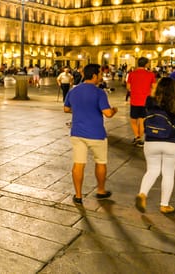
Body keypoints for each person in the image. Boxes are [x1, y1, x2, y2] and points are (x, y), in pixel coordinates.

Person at [63, 64, 118, 205]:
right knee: (100, 162)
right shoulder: (99, 93)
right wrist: (114, 110)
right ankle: (100, 190)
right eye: (99, 73)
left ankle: (78, 195)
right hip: (96, 133)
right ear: (94, 76)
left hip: (77, 132)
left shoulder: (73, 91)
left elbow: (66, 108)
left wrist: (79, 110)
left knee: (78, 164)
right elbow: (107, 113)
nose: (101, 76)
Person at [136, 77, 175, 215]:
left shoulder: (150, 100)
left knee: (152, 170)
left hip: (151, 141)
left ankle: (142, 194)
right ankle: (164, 205)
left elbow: (144, 114)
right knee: (168, 173)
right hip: (171, 141)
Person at [126, 57, 156, 147]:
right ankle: (140, 138)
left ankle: (137, 136)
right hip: (145, 101)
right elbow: (154, 87)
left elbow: (128, 87)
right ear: (146, 64)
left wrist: (135, 91)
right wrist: (149, 94)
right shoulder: (151, 74)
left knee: (133, 120)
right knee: (142, 120)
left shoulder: (131, 74)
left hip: (135, 100)